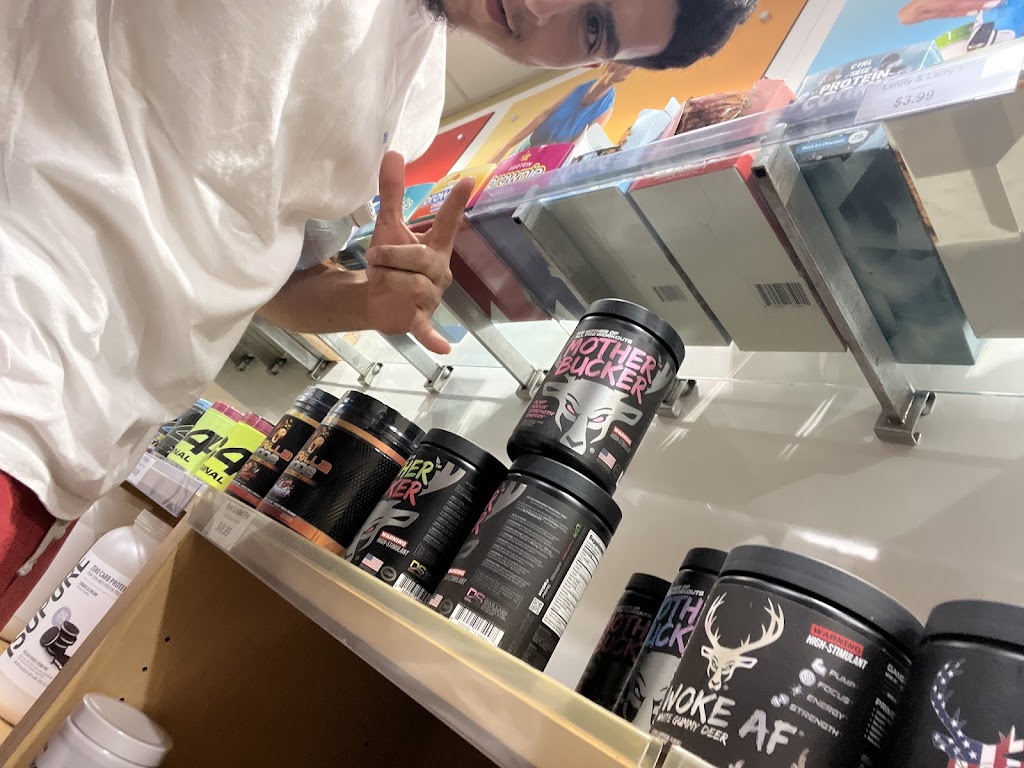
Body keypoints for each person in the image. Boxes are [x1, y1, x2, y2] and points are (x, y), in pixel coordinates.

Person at [0, 0, 755, 624]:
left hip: (82, 452)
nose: (540, 7)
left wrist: (366, 299)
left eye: (592, 25)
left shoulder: (412, 102)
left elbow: (273, 280)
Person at [489, 62, 635, 163]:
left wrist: (556, 162)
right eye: (615, 66)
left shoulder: (605, 110)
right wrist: (505, 147)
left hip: (548, 159)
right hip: (528, 148)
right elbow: (543, 115)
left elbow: (577, 143)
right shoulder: (579, 89)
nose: (617, 69)